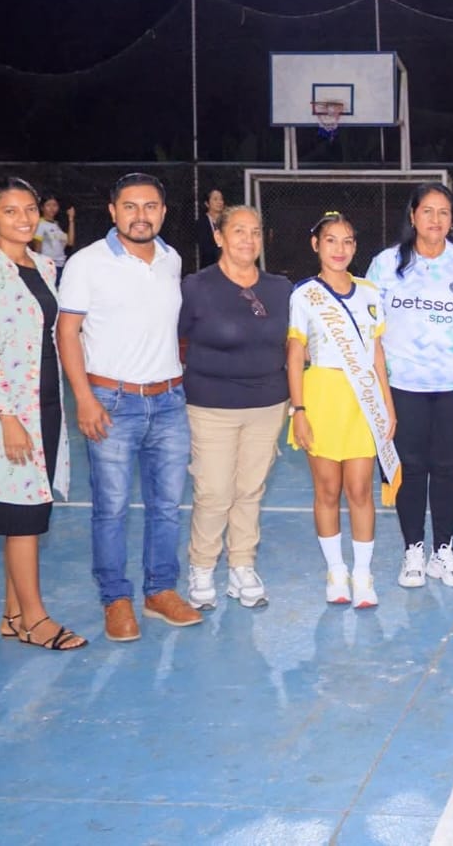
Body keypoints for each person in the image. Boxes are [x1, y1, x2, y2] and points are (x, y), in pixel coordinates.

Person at [57, 171, 199, 641]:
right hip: (111, 402)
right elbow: (66, 332)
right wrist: (84, 398)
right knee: (111, 508)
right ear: (113, 211)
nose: (141, 215)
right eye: (131, 206)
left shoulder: (171, 260)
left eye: (150, 206)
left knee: (166, 506)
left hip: (170, 401)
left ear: (164, 211)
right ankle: (115, 598)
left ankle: (160, 590)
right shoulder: (86, 263)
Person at [0, 177, 83, 650]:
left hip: (45, 403)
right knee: (22, 515)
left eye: (29, 208)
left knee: (30, 509)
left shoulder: (44, 266)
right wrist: (7, 417)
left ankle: (12, 615)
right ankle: (35, 620)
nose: (24, 218)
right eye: (10, 211)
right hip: (8, 412)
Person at [365, 183, 453, 590]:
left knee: (448, 470)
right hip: (403, 387)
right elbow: (370, 334)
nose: (435, 219)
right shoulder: (386, 264)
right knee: (409, 469)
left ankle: (443, 552)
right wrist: (378, 390)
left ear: (452, 220)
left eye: (443, 212)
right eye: (427, 211)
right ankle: (413, 551)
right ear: (413, 216)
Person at [178, 206, 292, 611]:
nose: (248, 239)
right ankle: (202, 567)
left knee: (249, 490)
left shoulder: (281, 289)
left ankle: (242, 565)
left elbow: (296, 343)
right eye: (239, 231)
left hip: (268, 405)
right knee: (214, 492)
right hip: (211, 407)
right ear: (219, 237)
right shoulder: (196, 287)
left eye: (255, 232)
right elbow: (173, 338)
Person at [288, 212, 396, 608]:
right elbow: (295, 354)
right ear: (316, 244)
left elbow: (377, 354)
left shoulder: (369, 292)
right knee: (327, 490)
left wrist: (387, 405)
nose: (340, 249)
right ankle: (336, 572)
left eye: (348, 241)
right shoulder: (304, 295)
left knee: (360, 490)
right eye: (331, 240)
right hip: (321, 398)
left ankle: (363, 574)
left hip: (362, 401)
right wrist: (299, 410)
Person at [32, 194, 74, 284]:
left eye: (54, 205)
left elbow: (70, 242)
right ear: (42, 208)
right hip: (47, 267)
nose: (52, 208)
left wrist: (71, 220)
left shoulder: (57, 225)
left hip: (60, 265)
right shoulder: (40, 224)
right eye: (48, 205)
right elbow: (37, 248)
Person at [195, 188, 225, 271]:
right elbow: (205, 247)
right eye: (215, 199)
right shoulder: (201, 223)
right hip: (209, 266)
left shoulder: (228, 222)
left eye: (221, 199)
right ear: (207, 203)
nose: (219, 202)